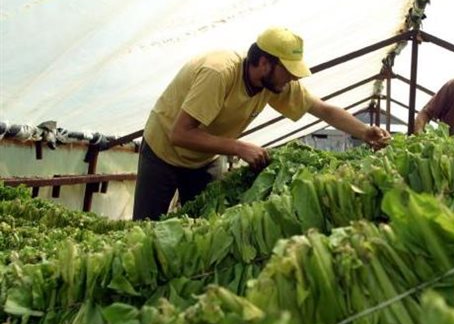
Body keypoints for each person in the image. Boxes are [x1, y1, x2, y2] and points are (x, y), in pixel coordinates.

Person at [132, 26, 391, 220]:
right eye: (287, 71)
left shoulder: (273, 84)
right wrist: (238, 147)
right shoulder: (219, 73)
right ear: (265, 63)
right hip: (163, 152)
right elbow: (180, 134)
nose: (290, 79)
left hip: (203, 160)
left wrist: (365, 131)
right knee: (147, 226)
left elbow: (323, 109)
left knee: (201, 225)